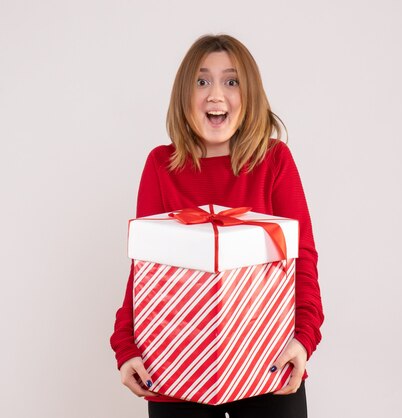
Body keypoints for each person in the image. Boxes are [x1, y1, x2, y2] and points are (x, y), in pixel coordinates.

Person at [110, 34, 324, 418]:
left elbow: (302, 258)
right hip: (176, 366)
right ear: (184, 95)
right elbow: (144, 271)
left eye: (231, 81)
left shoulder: (274, 160)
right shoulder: (161, 166)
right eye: (202, 81)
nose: (215, 94)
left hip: (267, 360)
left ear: (250, 93)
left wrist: (303, 340)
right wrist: (127, 346)